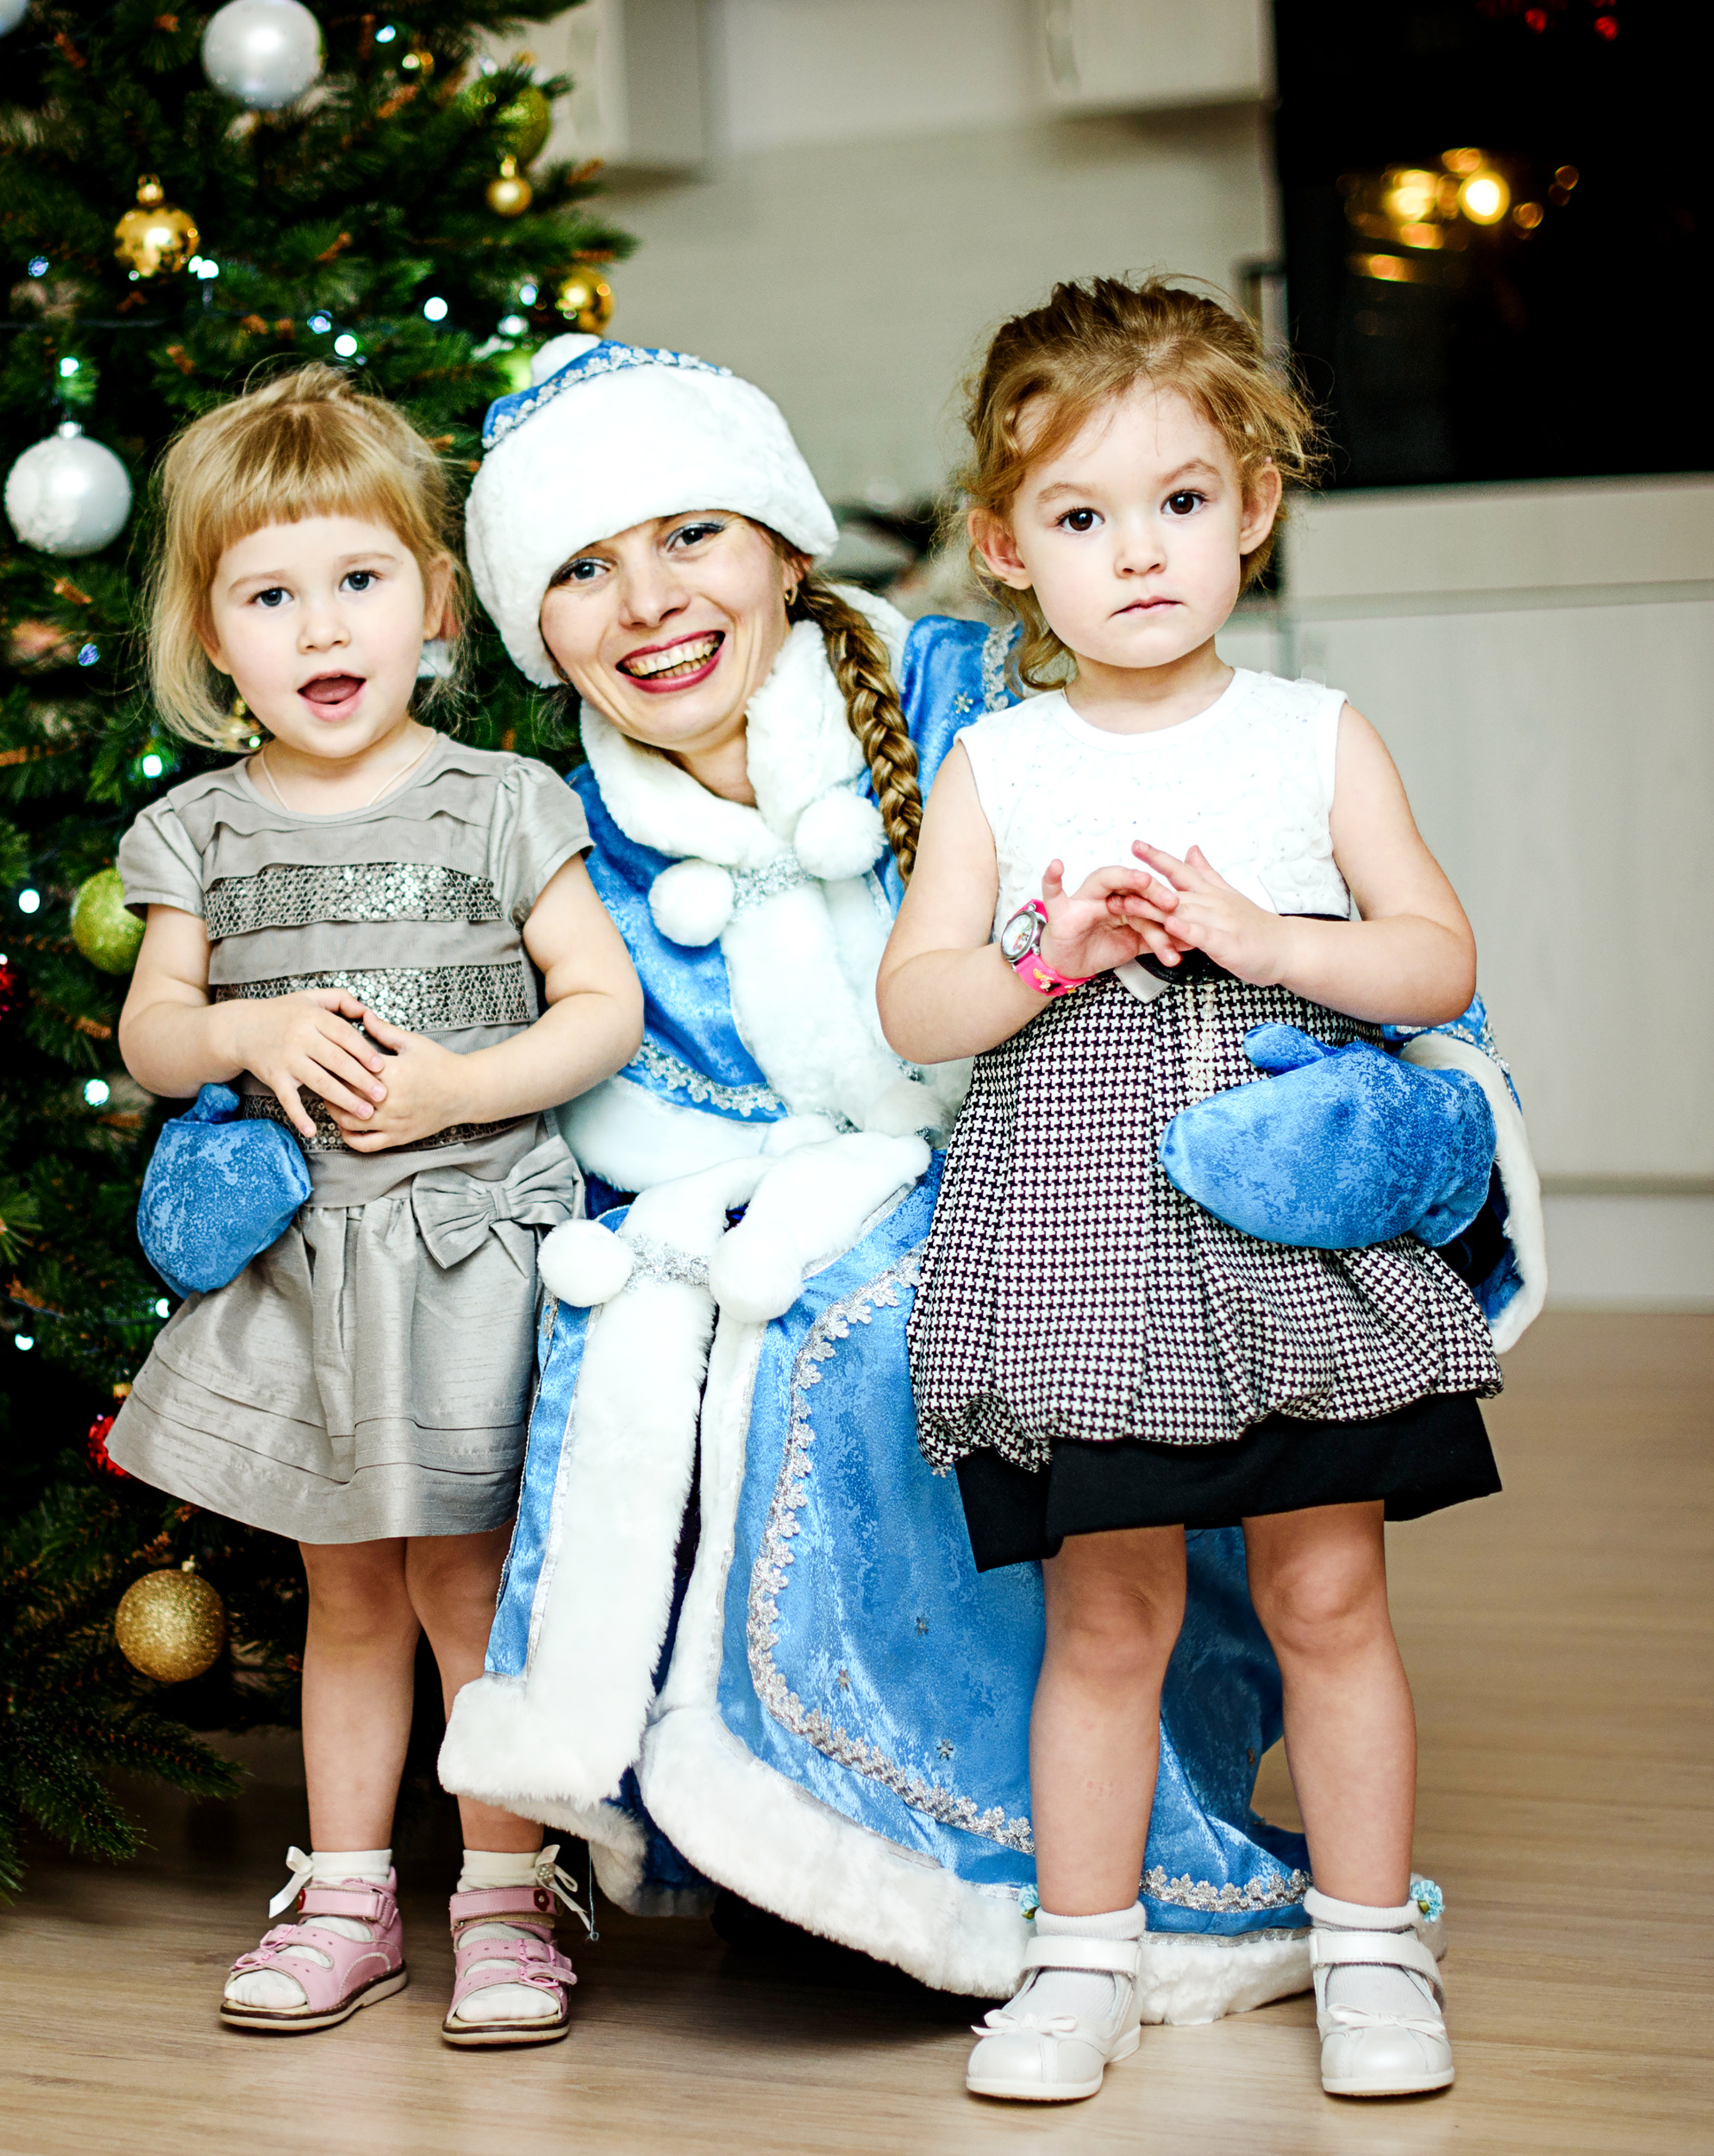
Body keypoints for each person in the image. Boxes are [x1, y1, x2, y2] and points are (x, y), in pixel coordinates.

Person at [441, 329, 1544, 2021]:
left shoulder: (984, 698)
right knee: (732, 1339)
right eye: (579, 569)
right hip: (775, 1201)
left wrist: (1358, 1078)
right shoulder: (549, 823)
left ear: (784, 546)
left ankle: (1123, 1884)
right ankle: (785, 1842)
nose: (646, 600)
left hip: (1088, 1187)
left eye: (688, 535)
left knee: (941, 1367)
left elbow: (1415, 961)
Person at [880, 276, 1523, 2104]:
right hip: (1079, 1237)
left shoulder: (1309, 733)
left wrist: (1267, 934)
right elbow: (918, 1003)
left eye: (1177, 500)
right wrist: (1044, 958)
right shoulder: (996, 763)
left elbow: (1430, 958)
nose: (1136, 552)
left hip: (1283, 1225)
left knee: (1327, 1597)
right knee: (1107, 1613)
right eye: (1079, 517)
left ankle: (1366, 1940)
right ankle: (1080, 1953)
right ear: (1006, 551)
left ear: (1250, 501)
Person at [107, 367, 644, 2048]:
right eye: (269, 594)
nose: (319, 626)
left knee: (466, 1586)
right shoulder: (195, 829)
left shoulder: (503, 800)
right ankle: (345, 1887)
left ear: (428, 599)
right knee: (344, 1592)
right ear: (211, 633)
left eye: (356, 581)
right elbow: (147, 1034)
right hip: (308, 1272)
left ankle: (502, 1890)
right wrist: (247, 1031)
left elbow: (597, 1007)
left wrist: (456, 1089)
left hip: (469, 1246)